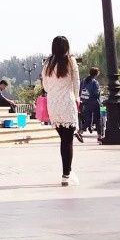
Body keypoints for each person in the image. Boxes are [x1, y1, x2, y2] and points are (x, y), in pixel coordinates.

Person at [42, 36, 81, 186]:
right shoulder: (70, 61)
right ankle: (66, 174)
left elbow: (45, 86)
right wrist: (76, 98)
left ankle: (67, 171)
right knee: (68, 140)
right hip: (67, 103)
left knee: (63, 139)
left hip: (53, 105)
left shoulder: (48, 63)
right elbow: (76, 82)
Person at [78, 67, 102, 136]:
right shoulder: (95, 82)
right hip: (94, 102)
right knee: (98, 119)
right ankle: (99, 135)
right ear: (96, 74)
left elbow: (80, 91)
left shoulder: (83, 81)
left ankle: (80, 132)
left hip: (85, 102)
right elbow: (96, 93)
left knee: (88, 119)